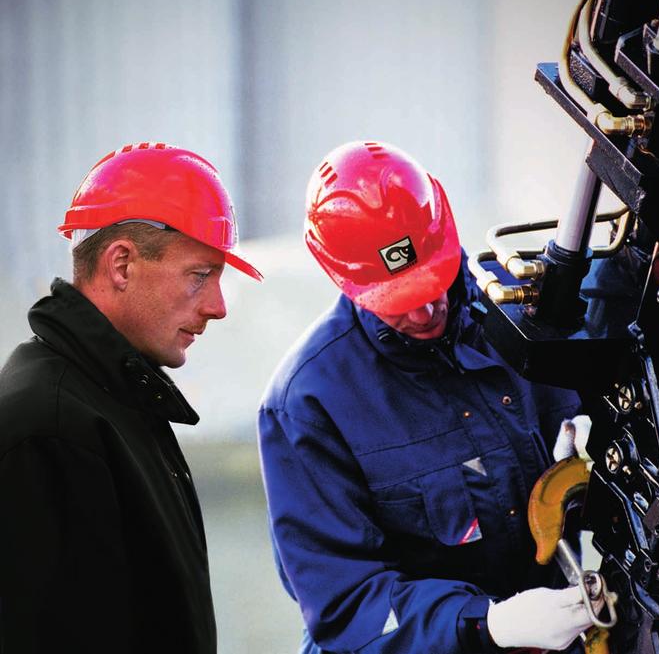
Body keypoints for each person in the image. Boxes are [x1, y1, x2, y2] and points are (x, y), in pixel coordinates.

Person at [258, 140, 596, 653]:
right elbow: (346, 604)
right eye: (400, 301)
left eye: (435, 281)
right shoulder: (307, 402)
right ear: (344, 280)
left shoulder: (532, 312)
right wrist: (487, 625)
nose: (426, 312)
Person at [0, 143, 262, 653]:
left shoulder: (115, 401)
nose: (218, 307)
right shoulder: (49, 427)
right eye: (200, 275)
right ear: (122, 265)